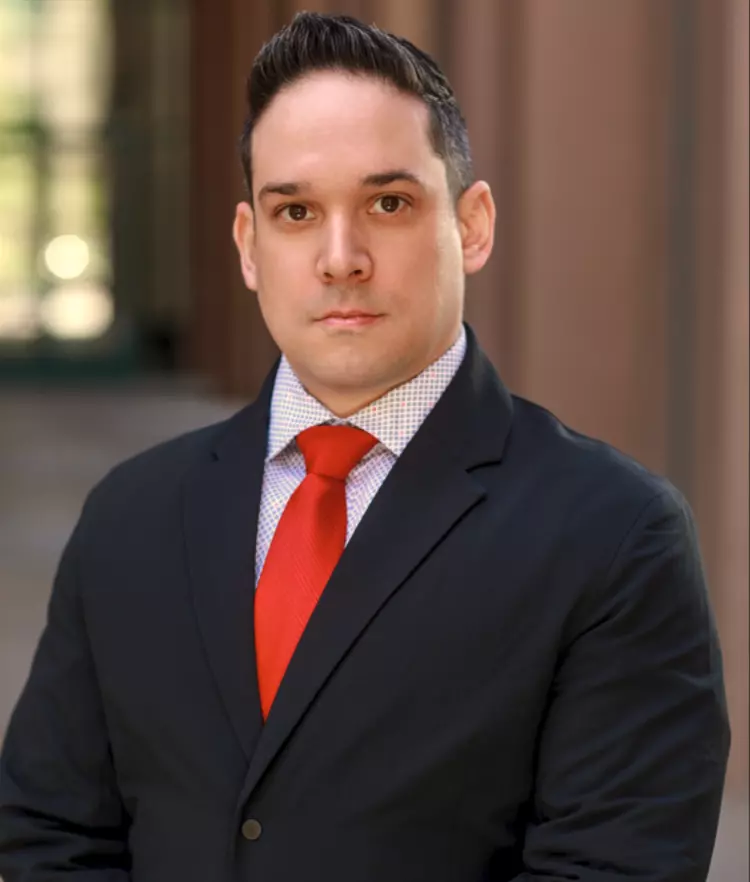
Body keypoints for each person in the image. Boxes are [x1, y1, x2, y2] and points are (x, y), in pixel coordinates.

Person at [0, 12, 730, 882]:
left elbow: (614, 868)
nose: (340, 258)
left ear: (472, 226)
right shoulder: (131, 516)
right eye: (296, 211)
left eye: (388, 204)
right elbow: (48, 838)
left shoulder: (614, 536)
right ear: (250, 247)